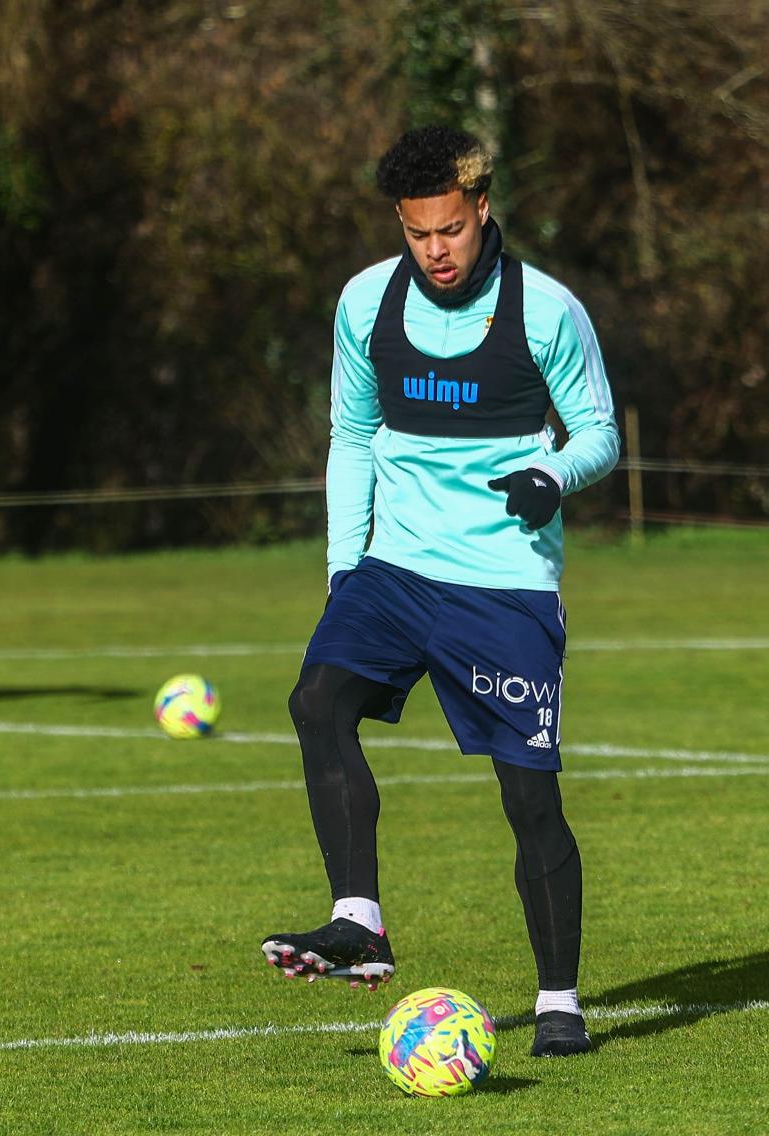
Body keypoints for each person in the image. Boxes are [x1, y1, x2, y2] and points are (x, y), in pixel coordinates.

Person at [260, 125, 620, 1058]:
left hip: (503, 586)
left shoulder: (545, 310)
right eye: (419, 234)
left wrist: (552, 478)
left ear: (482, 209)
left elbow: (597, 433)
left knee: (529, 799)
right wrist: (347, 569)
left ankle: (558, 1004)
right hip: (394, 571)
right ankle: (358, 921)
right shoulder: (363, 302)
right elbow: (351, 434)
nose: (437, 251)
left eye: (451, 230)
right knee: (315, 701)